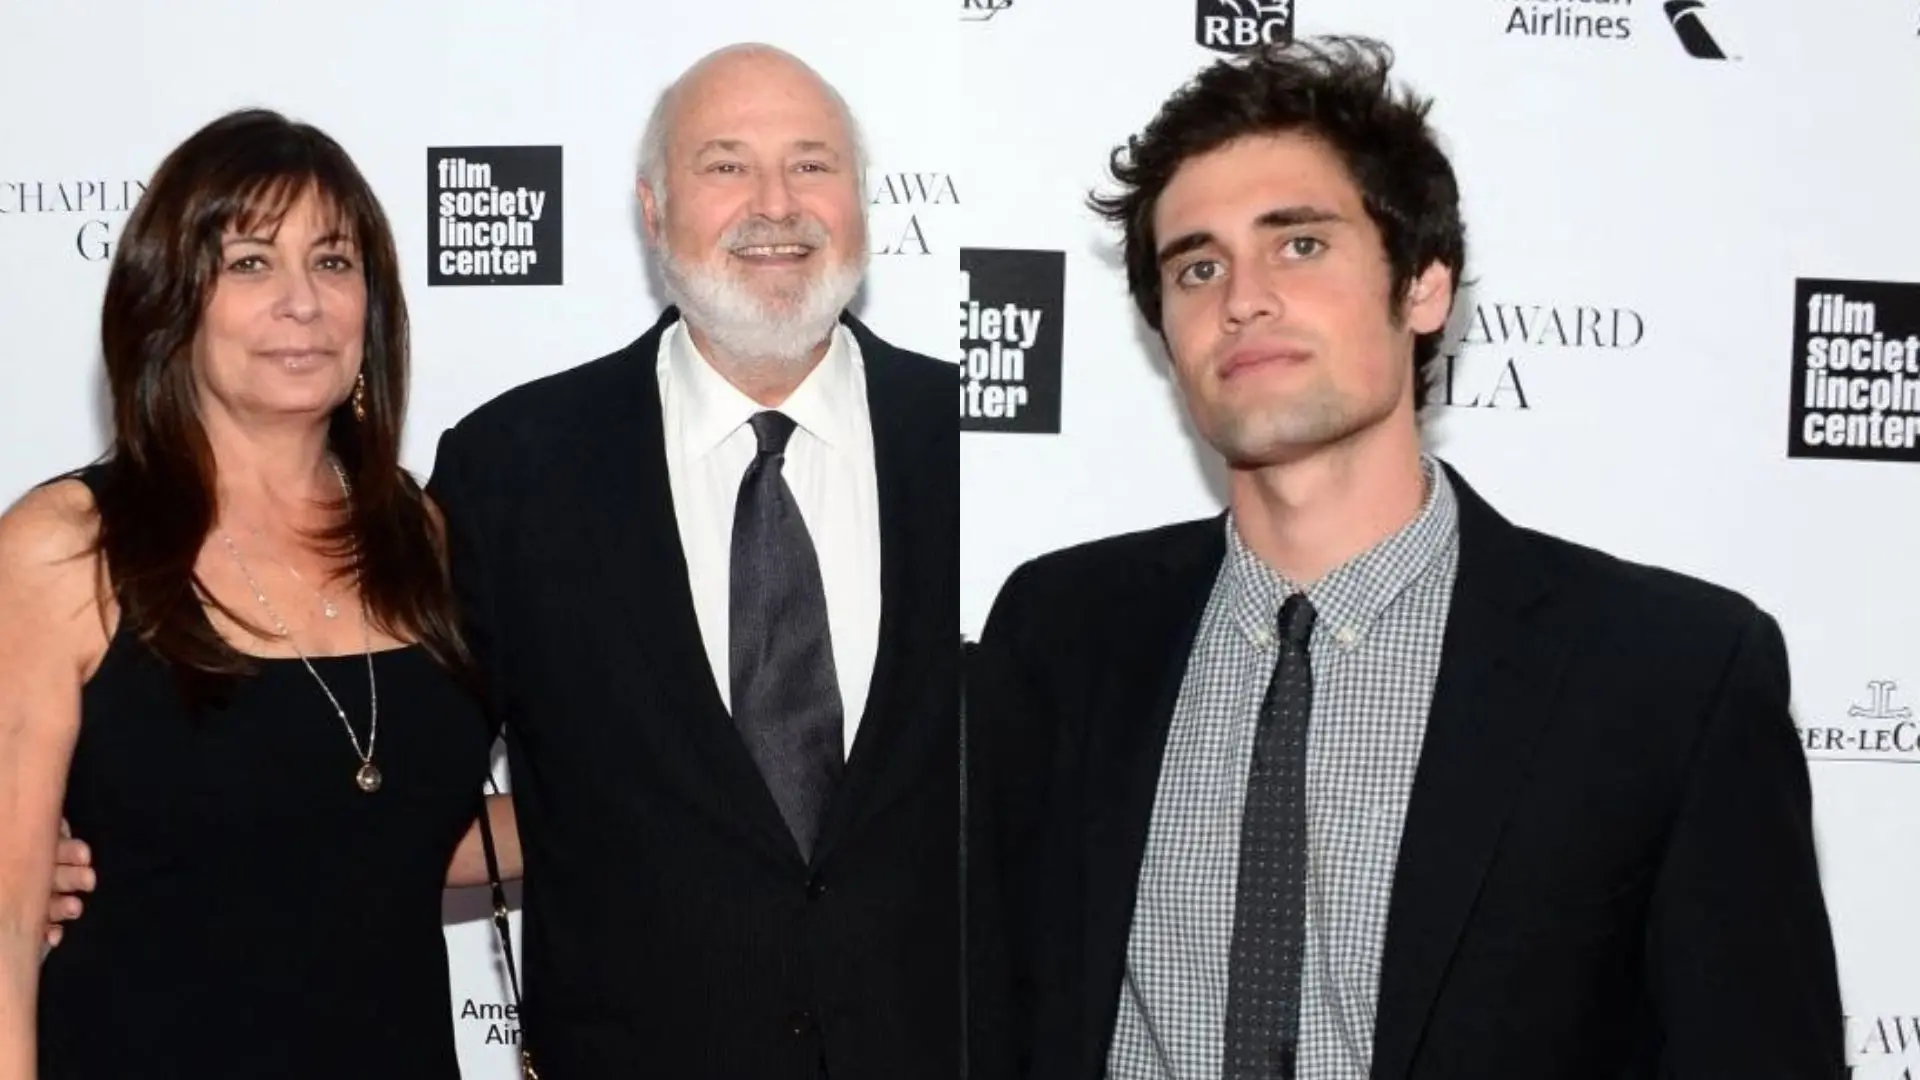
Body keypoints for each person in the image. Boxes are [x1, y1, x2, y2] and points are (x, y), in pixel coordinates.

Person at [967, 37, 1844, 1080]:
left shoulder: (1670, 676)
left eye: (1298, 245)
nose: (1242, 296)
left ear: (1425, 286)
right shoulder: (1062, 632)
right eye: (1197, 265)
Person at [410, 42, 960, 1079]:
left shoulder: (960, 442)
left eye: (811, 164)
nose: (775, 204)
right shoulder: (514, 467)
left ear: (861, 204)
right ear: (653, 211)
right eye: (725, 166)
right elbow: (398, 793)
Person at [0, 108, 517, 1078]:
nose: (302, 302)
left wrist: (655, 811)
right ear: (168, 303)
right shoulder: (65, 549)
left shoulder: (426, 540)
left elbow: (370, 828)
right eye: (249, 263)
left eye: (332, 261)